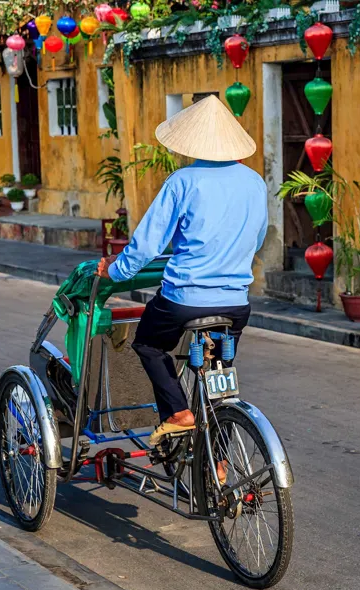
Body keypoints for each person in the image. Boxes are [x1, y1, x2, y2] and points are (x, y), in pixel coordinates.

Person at [96, 94, 267, 447]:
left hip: (183, 300)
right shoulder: (254, 182)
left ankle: (177, 412)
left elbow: (147, 245)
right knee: (220, 376)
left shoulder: (183, 181)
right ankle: (220, 464)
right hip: (236, 304)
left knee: (148, 343)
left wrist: (116, 271)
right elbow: (257, 237)